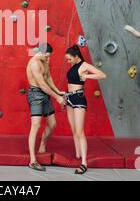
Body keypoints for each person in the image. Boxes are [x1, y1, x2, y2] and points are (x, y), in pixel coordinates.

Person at [64, 44, 107, 175]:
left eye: (69, 59)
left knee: (79, 131)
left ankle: (84, 163)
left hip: (78, 99)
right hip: (69, 98)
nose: (68, 61)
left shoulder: (84, 65)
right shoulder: (73, 65)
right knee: (73, 130)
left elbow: (102, 75)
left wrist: (87, 76)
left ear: (76, 57)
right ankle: (77, 155)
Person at [26, 43, 66, 171]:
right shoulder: (34, 63)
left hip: (46, 94)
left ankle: (42, 146)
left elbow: (48, 77)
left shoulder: (44, 60)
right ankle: (32, 160)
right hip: (36, 94)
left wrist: (58, 91)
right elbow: (42, 85)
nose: (48, 59)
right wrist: (58, 98)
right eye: (47, 56)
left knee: (52, 124)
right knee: (36, 125)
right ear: (41, 52)